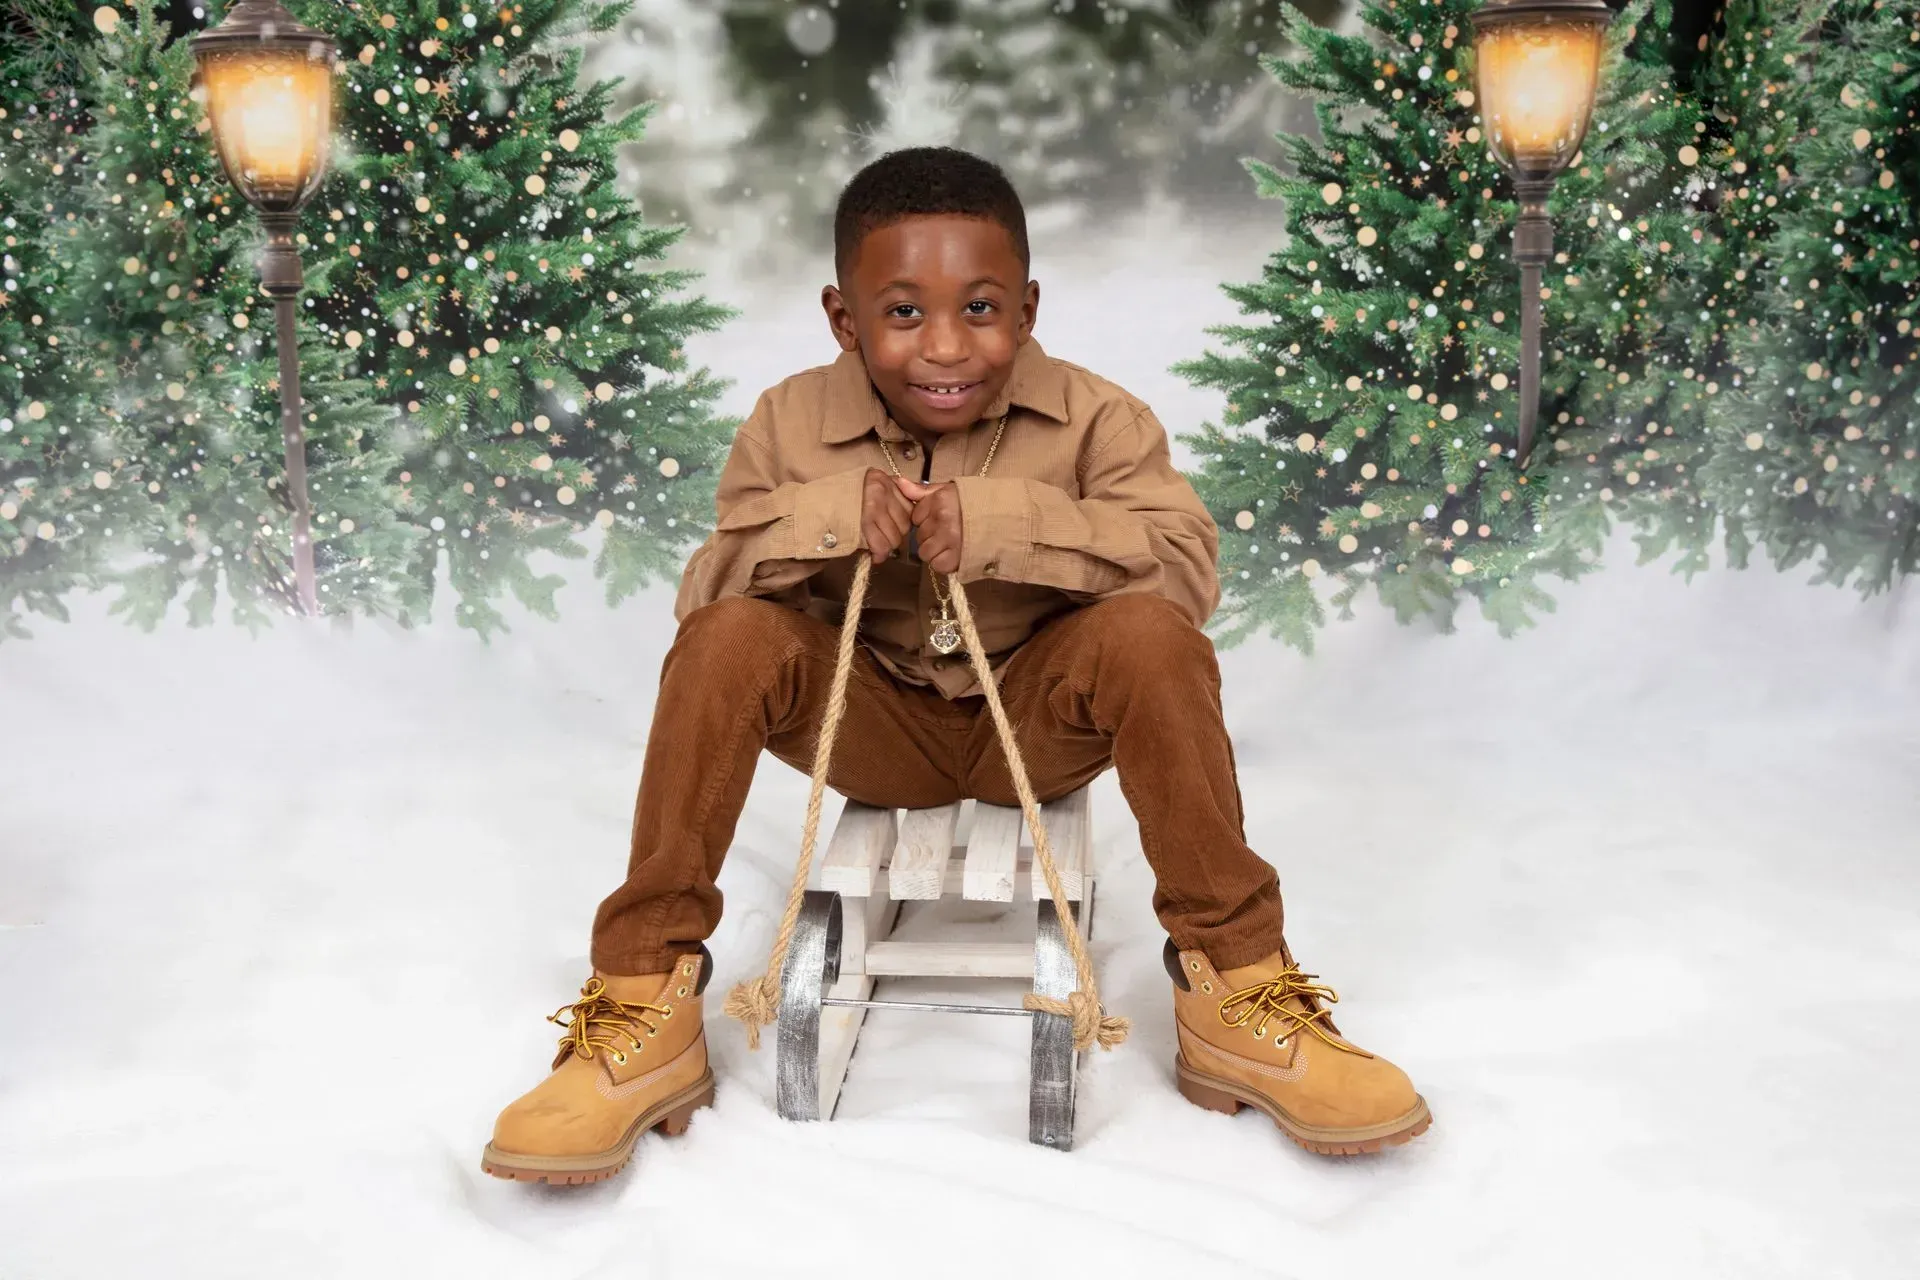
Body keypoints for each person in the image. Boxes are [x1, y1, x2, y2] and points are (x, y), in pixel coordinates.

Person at [481, 147, 1431, 1184]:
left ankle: (1237, 988)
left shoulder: (1101, 417)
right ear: (845, 319)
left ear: (1025, 307)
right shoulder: (789, 421)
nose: (946, 345)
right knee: (726, 639)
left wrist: (1008, 528)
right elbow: (708, 591)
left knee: (1154, 637)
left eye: (979, 307)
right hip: (871, 728)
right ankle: (641, 1003)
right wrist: (827, 523)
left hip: (1040, 722)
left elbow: (1185, 573)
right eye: (902, 314)